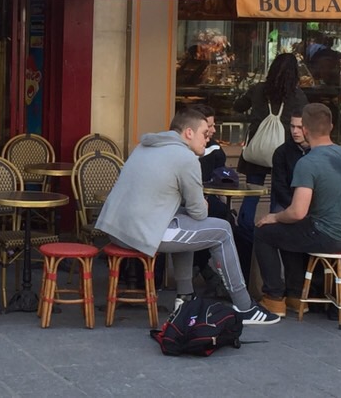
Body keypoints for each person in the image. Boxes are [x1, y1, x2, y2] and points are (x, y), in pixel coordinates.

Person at [95, 108, 280, 325]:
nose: (208, 139)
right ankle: (244, 306)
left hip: (116, 229)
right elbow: (199, 212)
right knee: (223, 230)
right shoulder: (185, 157)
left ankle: (186, 296)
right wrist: (200, 204)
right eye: (205, 134)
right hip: (139, 234)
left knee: (185, 224)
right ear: (189, 133)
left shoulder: (144, 146)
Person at [255, 103, 341, 317]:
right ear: (331, 126)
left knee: (266, 232)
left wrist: (274, 216)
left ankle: (274, 298)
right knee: (287, 228)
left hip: (328, 237)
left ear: (304, 129)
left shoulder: (308, 162)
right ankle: (296, 296)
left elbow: (297, 212)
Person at [233, 53, 308, 253]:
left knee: (252, 193)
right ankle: (272, 238)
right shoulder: (298, 95)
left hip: (258, 148)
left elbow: (238, 106)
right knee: (279, 195)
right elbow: (305, 118)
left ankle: (246, 237)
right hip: (284, 151)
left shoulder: (258, 90)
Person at [191, 104, 232, 297]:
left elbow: (220, 180)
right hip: (186, 202)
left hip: (207, 199)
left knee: (225, 217)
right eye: (209, 126)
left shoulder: (215, 148)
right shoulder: (181, 150)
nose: (214, 130)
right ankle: (203, 269)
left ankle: (225, 277)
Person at [270, 110, 309, 213]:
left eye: (300, 127)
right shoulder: (281, 152)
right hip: (287, 203)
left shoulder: (319, 150)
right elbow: (279, 185)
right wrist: (295, 206)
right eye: (292, 126)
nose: (295, 131)